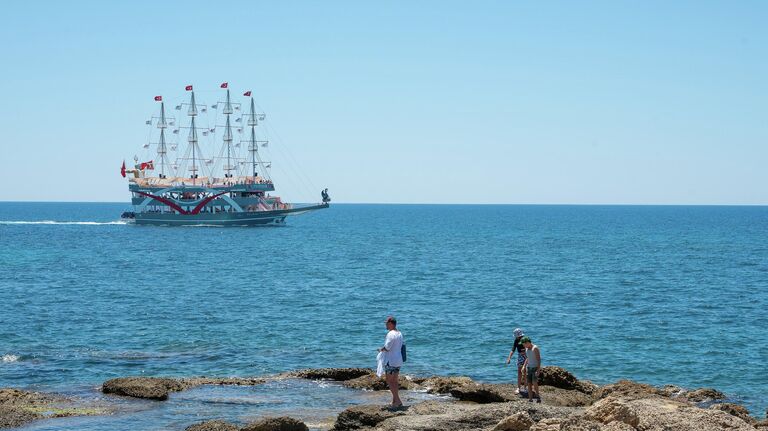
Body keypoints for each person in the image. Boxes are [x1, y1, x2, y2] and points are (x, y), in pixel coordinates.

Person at [378, 316, 404, 408]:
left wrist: (381, 349)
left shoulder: (390, 334)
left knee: (389, 381)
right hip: (398, 360)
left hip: (391, 360)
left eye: (386, 323)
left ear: (391, 323)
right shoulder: (399, 333)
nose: (385, 325)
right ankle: (394, 401)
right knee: (395, 381)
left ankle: (398, 401)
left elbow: (387, 347)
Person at [505, 328, 527, 394]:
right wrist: (509, 358)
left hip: (527, 356)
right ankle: (518, 388)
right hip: (520, 356)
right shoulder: (516, 340)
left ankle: (525, 388)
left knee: (525, 372)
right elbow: (513, 349)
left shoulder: (525, 339)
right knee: (519, 372)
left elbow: (529, 348)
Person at [520, 336, 542, 402]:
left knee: (535, 383)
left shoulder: (535, 348)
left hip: (535, 368)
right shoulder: (527, 349)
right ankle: (530, 399)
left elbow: (539, 360)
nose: (523, 345)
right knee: (529, 383)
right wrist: (524, 366)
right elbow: (527, 358)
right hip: (529, 368)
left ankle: (538, 396)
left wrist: (538, 370)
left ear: (527, 342)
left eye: (524, 344)